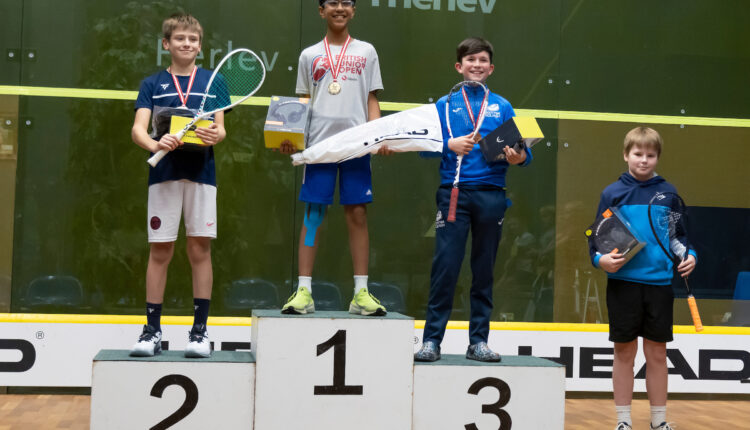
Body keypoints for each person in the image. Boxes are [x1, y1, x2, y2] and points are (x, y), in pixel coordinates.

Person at [414, 37, 532, 363]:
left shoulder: (503, 106)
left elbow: (523, 154)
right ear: (459, 66)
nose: (476, 65)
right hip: (454, 193)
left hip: (492, 195)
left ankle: (478, 341)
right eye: (470, 60)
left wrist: (515, 156)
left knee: (484, 271)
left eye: (482, 61)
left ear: (491, 68)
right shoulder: (444, 104)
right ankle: (432, 341)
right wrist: (448, 145)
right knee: (445, 269)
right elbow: (423, 146)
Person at [278, 0, 390, 316]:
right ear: (321, 10)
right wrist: (292, 137)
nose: (339, 8)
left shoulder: (367, 52)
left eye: (346, 3)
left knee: (357, 215)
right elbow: (302, 101)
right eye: (332, 3)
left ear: (353, 10)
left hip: (356, 146)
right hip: (318, 146)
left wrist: (377, 135)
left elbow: (372, 99)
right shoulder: (309, 55)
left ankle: (361, 293)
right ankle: (303, 291)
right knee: (314, 214)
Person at [130, 13, 226, 358]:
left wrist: (215, 133)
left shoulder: (214, 82)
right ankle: (152, 331)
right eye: (181, 38)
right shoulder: (152, 83)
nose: (188, 44)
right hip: (164, 176)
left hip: (202, 175)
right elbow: (138, 129)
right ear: (166, 44)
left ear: (200, 46)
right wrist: (155, 144)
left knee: (200, 250)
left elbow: (220, 130)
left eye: (194, 40)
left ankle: (199, 333)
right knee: (161, 251)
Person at [588, 127, 696, 430]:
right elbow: (596, 238)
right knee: (624, 353)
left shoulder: (670, 194)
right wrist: (601, 260)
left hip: (660, 286)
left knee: (657, 354)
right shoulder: (611, 193)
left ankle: (659, 422)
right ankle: (623, 421)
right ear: (626, 155)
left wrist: (690, 256)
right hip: (623, 285)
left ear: (657, 157)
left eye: (650, 155)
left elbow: (679, 238)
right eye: (638, 154)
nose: (644, 160)